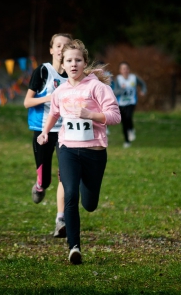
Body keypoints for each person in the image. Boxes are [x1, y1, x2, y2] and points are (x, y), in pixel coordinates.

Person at [37, 39, 121, 264]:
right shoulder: (60, 91)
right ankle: (74, 247)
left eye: (78, 60)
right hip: (68, 149)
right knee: (70, 194)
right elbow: (54, 113)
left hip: (94, 151)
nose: (73, 64)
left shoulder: (98, 87)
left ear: (84, 63)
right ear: (62, 65)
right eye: (69, 60)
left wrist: (91, 115)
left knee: (89, 204)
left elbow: (115, 116)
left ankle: (87, 191)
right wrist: (45, 133)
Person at [23, 33, 73, 238]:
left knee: (66, 176)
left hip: (66, 132)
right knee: (46, 180)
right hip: (42, 130)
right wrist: (51, 97)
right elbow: (27, 102)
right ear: (51, 50)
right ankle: (40, 185)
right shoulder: (43, 71)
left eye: (66, 46)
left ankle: (60, 220)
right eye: (58, 45)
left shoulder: (74, 73)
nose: (61, 49)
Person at [113, 61, 147, 148]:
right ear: (120, 70)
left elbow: (143, 84)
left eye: (127, 68)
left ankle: (131, 130)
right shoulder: (118, 79)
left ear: (129, 69)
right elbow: (114, 92)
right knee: (124, 122)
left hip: (131, 101)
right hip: (121, 103)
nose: (125, 70)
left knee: (128, 117)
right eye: (123, 69)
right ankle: (127, 141)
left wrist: (143, 91)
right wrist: (121, 89)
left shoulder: (134, 77)